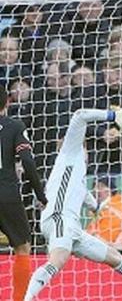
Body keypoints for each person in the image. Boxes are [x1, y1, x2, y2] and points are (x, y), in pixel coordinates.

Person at [23, 108, 122, 301]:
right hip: (60, 219)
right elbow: (80, 115)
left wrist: (96, 207)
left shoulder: (76, 174)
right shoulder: (69, 153)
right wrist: (112, 116)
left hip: (71, 227)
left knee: (115, 259)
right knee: (58, 259)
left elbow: (82, 194)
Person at [0, 85, 47, 301]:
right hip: (6, 194)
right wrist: (40, 195)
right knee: (23, 246)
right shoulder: (14, 126)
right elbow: (27, 161)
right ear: (8, 102)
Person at [85, 175, 122, 251]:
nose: (95, 190)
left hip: (117, 252)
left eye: (100, 187)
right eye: (94, 186)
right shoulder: (103, 208)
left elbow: (104, 240)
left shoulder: (114, 210)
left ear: (110, 190)